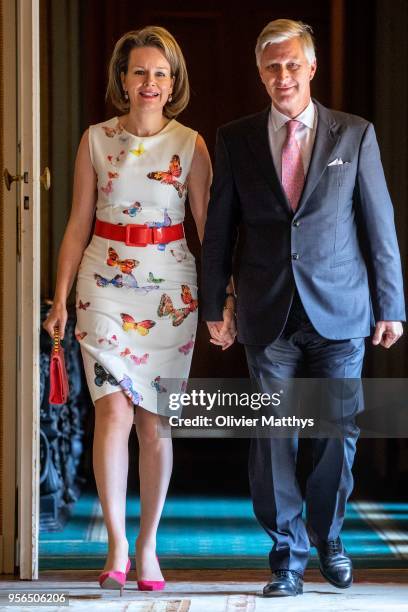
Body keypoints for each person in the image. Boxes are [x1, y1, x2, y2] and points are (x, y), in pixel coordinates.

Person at [201, 18, 405, 597]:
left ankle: (330, 540)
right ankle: (287, 555)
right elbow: (220, 232)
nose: (283, 76)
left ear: (311, 68)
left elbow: (379, 224)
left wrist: (391, 305)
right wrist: (216, 305)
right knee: (275, 436)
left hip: (342, 310)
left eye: (293, 65)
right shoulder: (236, 137)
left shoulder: (354, 134)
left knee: (335, 432)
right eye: (272, 67)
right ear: (259, 73)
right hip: (268, 313)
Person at [43, 26, 215, 594]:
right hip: (104, 285)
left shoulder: (191, 144)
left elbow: (208, 229)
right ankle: (117, 543)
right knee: (114, 414)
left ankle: (148, 547)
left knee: (154, 423)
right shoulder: (95, 139)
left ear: (173, 83)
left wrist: (223, 298)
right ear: (123, 79)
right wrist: (62, 296)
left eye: (160, 73)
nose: (149, 82)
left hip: (171, 292)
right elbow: (77, 222)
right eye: (139, 72)